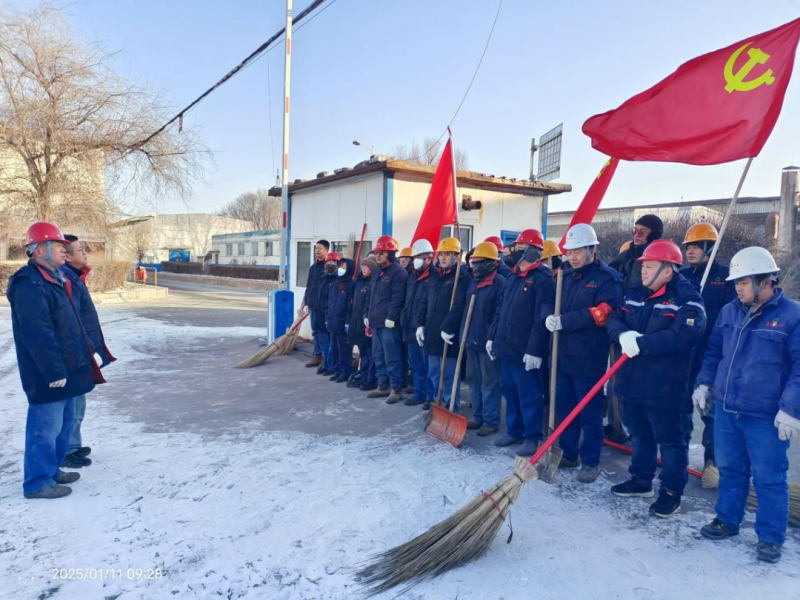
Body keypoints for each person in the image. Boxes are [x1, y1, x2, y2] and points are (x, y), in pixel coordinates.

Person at [695, 247, 800, 564]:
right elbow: (714, 353)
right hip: (728, 409)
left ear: (765, 281)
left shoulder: (792, 316)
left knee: (769, 477)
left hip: (765, 415)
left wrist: (792, 410)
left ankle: (769, 538)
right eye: (736, 282)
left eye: (743, 281)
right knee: (730, 470)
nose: (737, 287)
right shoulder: (729, 311)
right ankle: (727, 520)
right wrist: (704, 383)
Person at [606, 239, 705, 518]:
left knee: (671, 442)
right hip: (633, 382)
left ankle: (671, 492)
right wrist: (622, 334)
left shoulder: (688, 299)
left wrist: (644, 343)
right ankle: (641, 480)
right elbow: (614, 317)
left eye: (650, 266)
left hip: (666, 387)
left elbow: (685, 336)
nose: (644, 271)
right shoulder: (636, 293)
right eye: (643, 266)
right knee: (640, 435)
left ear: (669, 269)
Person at [7, 222, 103, 499]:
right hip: (48, 372)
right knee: (44, 427)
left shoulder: (56, 278)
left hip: (69, 367)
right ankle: (37, 482)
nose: (64, 248)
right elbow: (38, 333)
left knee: (64, 423)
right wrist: (52, 371)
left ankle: (51, 470)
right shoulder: (29, 283)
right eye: (58, 244)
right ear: (39, 250)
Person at [545, 224, 623, 483]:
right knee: (565, 407)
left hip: (589, 356)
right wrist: (549, 317)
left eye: (578, 251)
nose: (573, 256)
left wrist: (566, 321)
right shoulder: (564, 275)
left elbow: (604, 312)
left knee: (589, 412)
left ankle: (591, 461)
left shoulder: (606, 278)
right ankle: (569, 452)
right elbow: (551, 302)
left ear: (592, 249)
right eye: (569, 251)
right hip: (562, 353)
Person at [487, 229, 555, 457]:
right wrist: (492, 337)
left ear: (531, 252)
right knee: (510, 391)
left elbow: (541, 317)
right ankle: (514, 430)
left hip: (526, 350)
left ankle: (532, 436)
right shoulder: (513, 276)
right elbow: (500, 311)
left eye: (517, 248)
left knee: (529, 395)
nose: (511, 252)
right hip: (506, 347)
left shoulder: (544, 279)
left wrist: (535, 350)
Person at [679, 223, 736, 476]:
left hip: (711, 353)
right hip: (684, 353)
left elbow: (730, 315)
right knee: (681, 405)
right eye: (688, 247)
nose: (690, 251)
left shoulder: (725, 277)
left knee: (709, 409)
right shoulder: (682, 276)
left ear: (709, 248)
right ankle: (679, 454)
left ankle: (713, 461)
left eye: (695, 247)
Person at [59, 234, 116, 469]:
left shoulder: (75, 277)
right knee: (70, 402)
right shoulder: (66, 280)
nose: (85, 253)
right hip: (73, 351)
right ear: (67, 257)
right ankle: (65, 449)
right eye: (80, 250)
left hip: (81, 349)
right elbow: (70, 320)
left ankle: (72, 444)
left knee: (78, 400)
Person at [443, 241, 505, 436]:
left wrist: (492, 337)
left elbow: (499, 314)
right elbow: (461, 308)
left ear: (491, 263)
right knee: (473, 380)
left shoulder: (499, 283)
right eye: (473, 262)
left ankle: (491, 420)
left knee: (489, 382)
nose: (474, 266)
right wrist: (454, 329)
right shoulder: (473, 282)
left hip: (487, 342)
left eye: (479, 262)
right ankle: (477, 416)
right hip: (469, 340)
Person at [416, 237, 471, 412]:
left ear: (456, 256)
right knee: (434, 373)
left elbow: (459, 305)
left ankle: (451, 408)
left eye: (448, 254)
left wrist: (448, 327)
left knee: (448, 375)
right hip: (432, 334)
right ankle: (437, 404)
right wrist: (420, 324)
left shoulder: (461, 277)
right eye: (441, 254)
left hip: (449, 336)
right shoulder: (435, 275)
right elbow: (425, 301)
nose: (443, 258)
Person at [364, 236, 408, 403]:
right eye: (376, 252)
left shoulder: (399, 273)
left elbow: (397, 298)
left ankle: (396, 388)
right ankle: (383, 385)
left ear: (390, 253)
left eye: (381, 253)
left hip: (389, 324)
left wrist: (391, 317)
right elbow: (371, 296)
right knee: (378, 355)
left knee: (392, 356)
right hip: (376, 322)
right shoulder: (377, 272)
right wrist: (367, 315)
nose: (377, 255)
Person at [401, 238, 435, 407]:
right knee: (415, 364)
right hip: (410, 327)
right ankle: (419, 393)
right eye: (415, 257)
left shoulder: (434, 276)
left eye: (420, 256)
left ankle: (430, 396)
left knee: (427, 365)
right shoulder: (412, 276)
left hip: (425, 328)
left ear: (429, 257)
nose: (416, 260)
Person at [347, 255, 378, 391]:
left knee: (370, 355)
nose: (363, 269)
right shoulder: (359, 282)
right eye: (362, 267)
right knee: (363, 354)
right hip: (357, 323)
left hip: (366, 325)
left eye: (366, 267)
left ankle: (371, 378)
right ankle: (364, 376)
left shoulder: (372, 283)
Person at [609, 214, 663, 290]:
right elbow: (608, 273)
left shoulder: (659, 257)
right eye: (635, 231)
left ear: (654, 235)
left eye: (642, 232)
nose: (636, 235)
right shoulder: (627, 253)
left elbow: (636, 284)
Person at [325, 255, 355, 383]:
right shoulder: (335, 283)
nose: (341, 268)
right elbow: (329, 302)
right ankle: (336, 370)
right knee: (335, 348)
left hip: (343, 323)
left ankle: (345, 371)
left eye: (344, 266)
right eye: (340, 265)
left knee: (344, 350)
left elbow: (351, 305)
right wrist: (327, 318)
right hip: (332, 322)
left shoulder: (351, 285)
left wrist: (348, 323)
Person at [303, 240, 330, 369]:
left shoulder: (329, 267)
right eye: (316, 248)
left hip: (323, 307)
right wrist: (306, 301)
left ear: (327, 250)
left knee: (323, 333)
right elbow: (309, 286)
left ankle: (326, 358)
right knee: (315, 332)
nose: (317, 251)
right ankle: (317, 355)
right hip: (313, 305)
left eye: (320, 248)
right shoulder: (314, 267)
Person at [315, 251, 340, 376]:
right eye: (328, 262)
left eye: (332, 262)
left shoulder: (338, 280)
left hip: (330, 315)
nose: (330, 264)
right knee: (323, 341)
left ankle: (331, 365)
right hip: (319, 313)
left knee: (332, 343)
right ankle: (326, 363)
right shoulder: (323, 278)